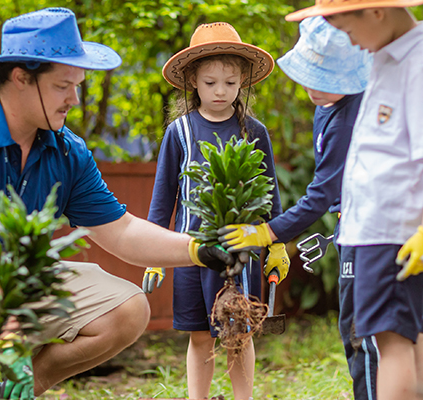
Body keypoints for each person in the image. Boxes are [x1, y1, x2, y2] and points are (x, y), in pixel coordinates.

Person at [0, 8, 237, 400]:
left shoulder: (65, 149)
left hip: (9, 275)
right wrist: (10, 341)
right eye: (62, 86)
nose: (75, 98)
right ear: (21, 78)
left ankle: (8, 393)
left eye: (79, 85)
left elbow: (122, 231)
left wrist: (198, 248)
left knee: (128, 309)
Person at [285, 1, 423, 399]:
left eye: (346, 30)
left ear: (376, 14)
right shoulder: (384, 58)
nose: (350, 43)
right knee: (408, 334)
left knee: (387, 340)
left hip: (388, 228)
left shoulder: (422, 64)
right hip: (367, 227)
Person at [218, 16, 378, 399]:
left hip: (373, 229)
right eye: (310, 75)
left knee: (363, 333)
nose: (312, 87)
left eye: (324, 79)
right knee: (353, 327)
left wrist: (270, 232)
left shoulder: (350, 112)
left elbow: (321, 192)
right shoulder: (326, 105)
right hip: (350, 225)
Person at [142, 22, 287, 400]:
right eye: (210, 83)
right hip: (191, 252)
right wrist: (153, 257)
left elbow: (269, 192)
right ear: (192, 81)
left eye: (230, 82)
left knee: (239, 333)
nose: (220, 91)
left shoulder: (253, 131)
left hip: (243, 254)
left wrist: (277, 245)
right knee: (199, 333)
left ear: (243, 82)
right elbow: (164, 198)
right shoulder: (179, 132)